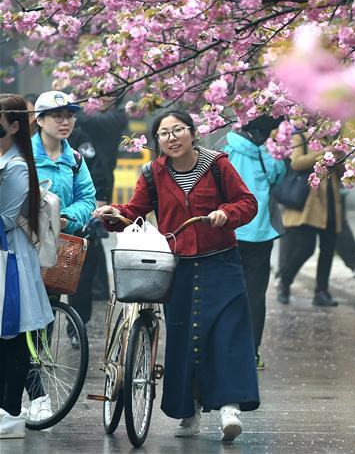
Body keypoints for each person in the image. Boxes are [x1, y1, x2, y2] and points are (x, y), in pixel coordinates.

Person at [94, 110, 259, 442]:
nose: (172, 137)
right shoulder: (153, 173)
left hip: (222, 264)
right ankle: (191, 408)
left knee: (226, 334)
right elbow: (134, 211)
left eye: (178, 130)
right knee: (186, 339)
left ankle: (229, 406)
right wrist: (113, 214)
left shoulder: (218, 166)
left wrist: (225, 214)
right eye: (164, 133)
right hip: (179, 266)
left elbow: (247, 202)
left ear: (193, 133)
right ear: (157, 141)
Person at [26, 91, 96, 424]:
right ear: (38, 120)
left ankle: (32, 392)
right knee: (22, 324)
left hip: (56, 251)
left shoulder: (75, 160)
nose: (65, 121)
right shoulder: (21, 155)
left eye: (69, 115)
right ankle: (36, 394)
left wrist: (66, 216)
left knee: (45, 320)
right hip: (22, 247)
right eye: (56, 115)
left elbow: (89, 198)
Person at [0, 94, 54, 439]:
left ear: (15, 126)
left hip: (12, 263)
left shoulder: (17, 167)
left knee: (15, 338)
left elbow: (5, 218)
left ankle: (11, 414)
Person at [222, 116, 286, 370]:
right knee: (255, 296)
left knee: (225, 292)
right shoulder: (269, 155)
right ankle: (251, 353)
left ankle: (224, 348)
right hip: (259, 234)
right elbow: (277, 178)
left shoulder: (223, 150)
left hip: (228, 232)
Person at [66, 96, 127, 315]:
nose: (64, 122)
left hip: (95, 189)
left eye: (68, 116)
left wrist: (98, 198)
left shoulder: (116, 117)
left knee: (91, 241)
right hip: (71, 201)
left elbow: (96, 172)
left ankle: (96, 291)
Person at [276, 132, 342, 307]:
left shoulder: (333, 141)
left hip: (330, 202)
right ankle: (285, 282)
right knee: (306, 248)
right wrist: (324, 152)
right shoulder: (301, 138)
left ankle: (321, 292)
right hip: (309, 204)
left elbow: (341, 174)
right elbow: (296, 163)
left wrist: (340, 156)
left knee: (328, 249)